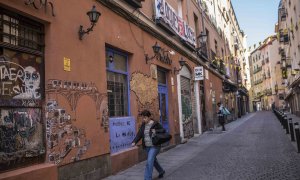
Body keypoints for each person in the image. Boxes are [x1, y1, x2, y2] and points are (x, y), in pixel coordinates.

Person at [131, 110, 165, 180]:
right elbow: (139, 134)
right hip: (147, 147)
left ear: (149, 117)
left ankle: (147, 178)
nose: (144, 119)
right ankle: (161, 171)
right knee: (153, 160)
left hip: (155, 146)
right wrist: (134, 141)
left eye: (145, 117)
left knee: (149, 162)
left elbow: (163, 130)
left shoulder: (155, 124)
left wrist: (156, 131)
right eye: (143, 118)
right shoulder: (143, 125)